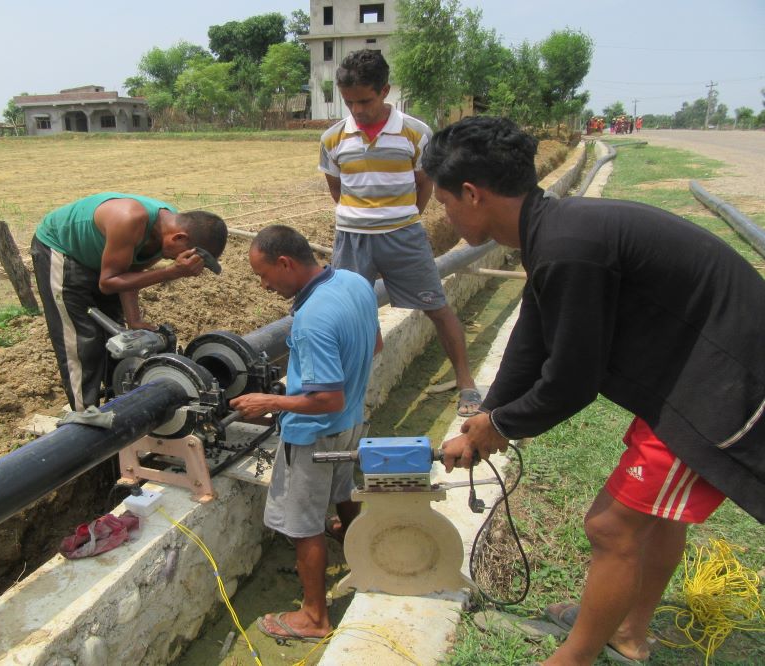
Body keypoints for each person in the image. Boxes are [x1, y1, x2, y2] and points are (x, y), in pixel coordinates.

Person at [425, 116, 764, 665]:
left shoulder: (566, 248)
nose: (444, 214)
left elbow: (572, 380)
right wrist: (488, 415)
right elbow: (530, 340)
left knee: (610, 524)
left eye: (444, 202)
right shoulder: (551, 230)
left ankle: (583, 654)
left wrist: (501, 427)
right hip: (686, 371)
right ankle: (626, 624)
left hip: (719, 383)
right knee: (652, 516)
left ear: (472, 192)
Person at [230, 225, 382, 642]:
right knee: (343, 489)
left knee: (302, 525)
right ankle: (360, 548)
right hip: (351, 421)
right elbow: (377, 344)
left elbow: (326, 399)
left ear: (286, 263)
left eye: (264, 275)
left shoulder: (310, 320)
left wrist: (270, 402)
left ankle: (314, 617)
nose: (263, 286)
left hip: (314, 432)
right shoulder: (353, 280)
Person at [319, 49, 481, 417]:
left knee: (437, 307)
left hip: (404, 237)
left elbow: (423, 182)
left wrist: (406, 218)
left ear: (385, 90)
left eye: (365, 100)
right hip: (351, 239)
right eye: (349, 102)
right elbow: (337, 188)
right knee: (352, 317)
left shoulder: (414, 132)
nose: (357, 110)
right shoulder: (332, 138)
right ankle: (351, 398)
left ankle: (467, 384)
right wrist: (357, 218)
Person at [30, 193, 227, 411]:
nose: (180, 261)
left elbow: (130, 271)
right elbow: (108, 282)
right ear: (179, 238)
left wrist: (134, 320)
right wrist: (171, 271)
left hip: (104, 261)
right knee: (82, 341)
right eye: (186, 256)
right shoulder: (129, 219)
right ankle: (85, 419)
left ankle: (119, 408)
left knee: (118, 339)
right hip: (62, 250)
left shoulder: (166, 232)